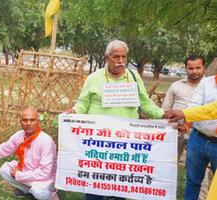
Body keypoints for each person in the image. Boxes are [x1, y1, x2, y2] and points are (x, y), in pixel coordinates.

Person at [69, 40, 164, 200]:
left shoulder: (133, 77)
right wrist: (73, 111)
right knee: (95, 184)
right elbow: (83, 103)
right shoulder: (94, 78)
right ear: (107, 58)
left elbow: (145, 103)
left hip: (125, 142)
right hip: (99, 141)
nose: (121, 61)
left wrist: (163, 114)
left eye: (124, 57)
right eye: (116, 57)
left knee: (121, 184)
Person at [0, 107, 58, 200]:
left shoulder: (46, 141)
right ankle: (27, 190)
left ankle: (48, 195)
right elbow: (1, 150)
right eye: (25, 120)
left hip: (44, 179)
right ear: (20, 122)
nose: (28, 124)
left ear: (38, 121)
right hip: (26, 171)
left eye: (32, 120)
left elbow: (45, 173)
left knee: (39, 192)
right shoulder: (19, 135)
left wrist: (19, 175)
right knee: (4, 170)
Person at [176, 70, 217, 200]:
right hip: (198, 138)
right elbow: (194, 105)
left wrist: (184, 114)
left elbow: (212, 109)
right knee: (192, 181)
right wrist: (187, 123)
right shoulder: (206, 82)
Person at [162, 54, 205, 163]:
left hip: (201, 134)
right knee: (170, 162)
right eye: (190, 68)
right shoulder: (176, 85)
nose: (194, 71)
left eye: (198, 67)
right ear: (185, 69)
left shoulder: (210, 86)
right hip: (176, 131)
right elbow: (166, 109)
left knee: (199, 168)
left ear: (204, 67)